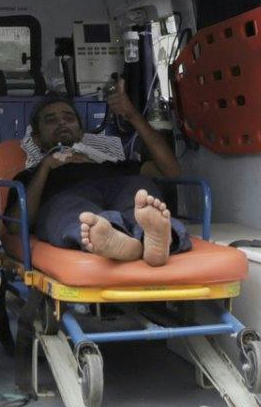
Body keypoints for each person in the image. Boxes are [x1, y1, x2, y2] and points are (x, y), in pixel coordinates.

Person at [19, 78, 190, 267]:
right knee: (71, 208)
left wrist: (132, 114)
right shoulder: (34, 175)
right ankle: (110, 236)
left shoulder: (112, 162)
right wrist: (46, 167)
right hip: (65, 193)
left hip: (117, 184)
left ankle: (152, 237)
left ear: (80, 132)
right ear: (37, 139)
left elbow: (172, 172)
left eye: (69, 118)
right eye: (51, 120)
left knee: (140, 192)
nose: (62, 123)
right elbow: (15, 223)